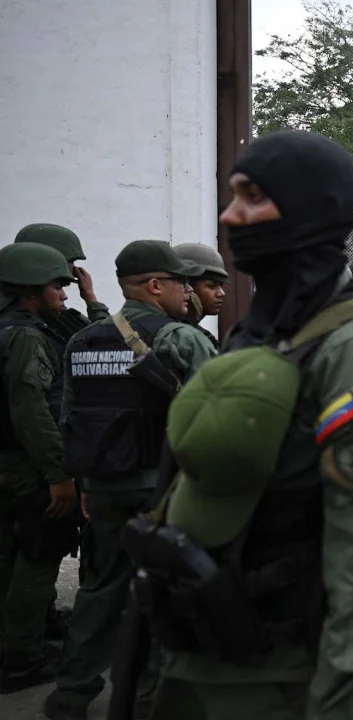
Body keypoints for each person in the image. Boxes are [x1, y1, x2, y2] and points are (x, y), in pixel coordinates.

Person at [135, 130, 353, 719]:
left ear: (310, 208)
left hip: (273, 671)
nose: (229, 215)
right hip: (199, 646)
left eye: (251, 197)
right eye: (232, 195)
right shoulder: (265, 329)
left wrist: (336, 704)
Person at [45, 240, 217, 717]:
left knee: (100, 591)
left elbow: (70, 417)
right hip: (165, 490)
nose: (189, 292)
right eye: (182, 282)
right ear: (156, 285)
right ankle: (151, 697)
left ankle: (72, 692)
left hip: (103, 487)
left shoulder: (82, 340)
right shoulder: (181, 338)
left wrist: (81, 483)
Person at [0, 244, 78, 694]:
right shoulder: (27, 337)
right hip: (29, 468)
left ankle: (13, 645)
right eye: (57, 285)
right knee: (37, 559)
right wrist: (58, 474)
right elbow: (32, 410)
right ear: (32, 289)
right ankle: (24, 660)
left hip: (7, 464)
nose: (63, 295)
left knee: (8, 559)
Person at [13, 224, 111, 344]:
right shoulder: (27, 328)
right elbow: (108, 344)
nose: (74, 268)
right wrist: (91, 299)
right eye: (71, 261)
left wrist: (90, 298)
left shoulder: (50, 313)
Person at [173, 242, 228, 347]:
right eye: (212, 286)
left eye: (221, 286)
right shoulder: (175, 337)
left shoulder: (201, 336)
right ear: (186, 286)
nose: (221, 293)